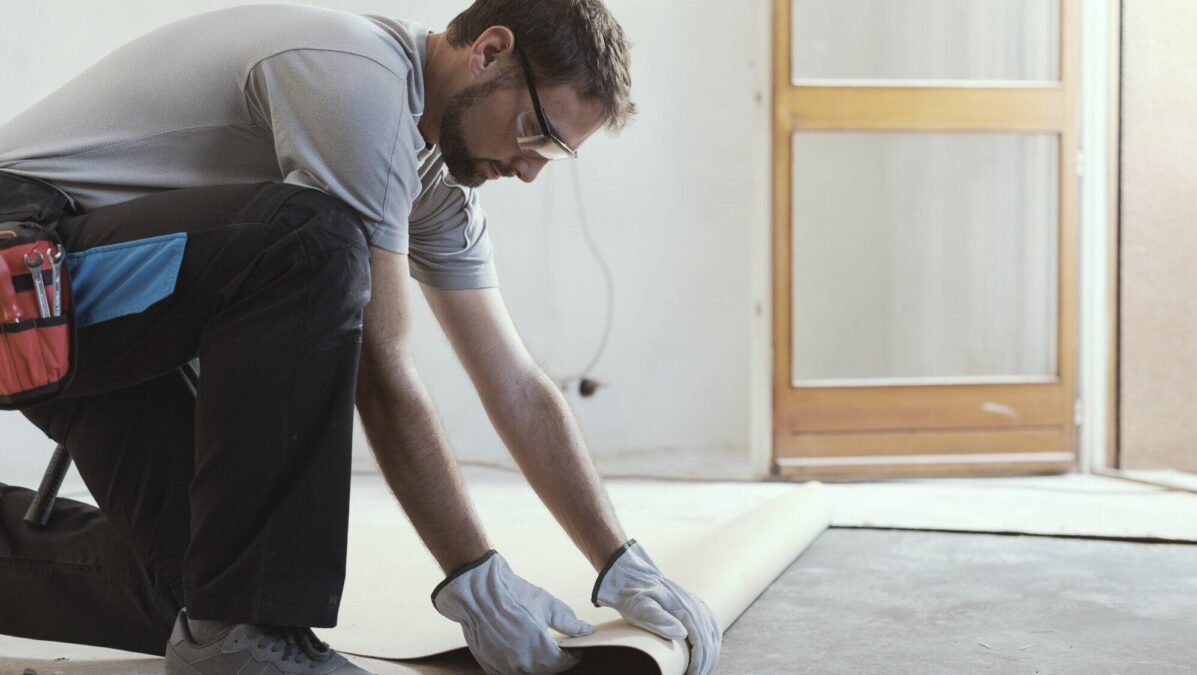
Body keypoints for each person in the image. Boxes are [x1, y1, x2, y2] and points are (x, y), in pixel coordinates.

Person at [0, 2, 722, 674]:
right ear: (490, 52)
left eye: (556, 153)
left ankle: (235, 627)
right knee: (309, 245)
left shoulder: (434, 184)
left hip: (94, 307)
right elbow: (381, 360)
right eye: (536, 131)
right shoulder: (356, 76)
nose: (532, 170)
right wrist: (473, 574)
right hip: (21, 270)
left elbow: (515, 381)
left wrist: (618, 557)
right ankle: (257, 635)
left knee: (206, 582)